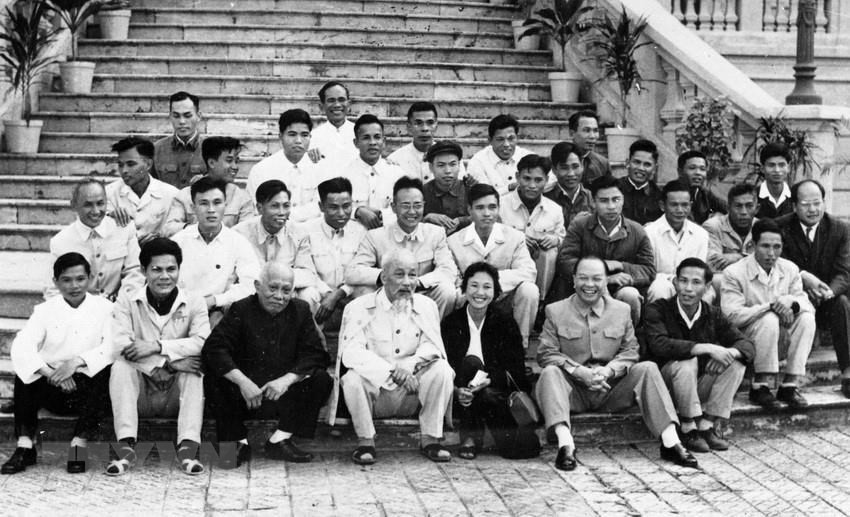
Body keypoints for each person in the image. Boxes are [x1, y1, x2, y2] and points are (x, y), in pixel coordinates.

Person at [534, 256, 697, 471]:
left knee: (647, 368)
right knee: (550, 372)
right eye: (583, 278)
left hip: (611, 388)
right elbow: (546, 353)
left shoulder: (621, 310)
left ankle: (670, 441)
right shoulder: (556, 310)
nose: (589, 285)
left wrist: (610, 370)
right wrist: (579, 371)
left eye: (596, 279)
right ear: (573, 280)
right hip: (573, 391)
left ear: (605, 281)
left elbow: (631, 351)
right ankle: (566, 444)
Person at [203, 263, 332, 467]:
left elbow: (316, 353)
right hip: (245, 395)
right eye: (273, 288)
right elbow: (214, 349)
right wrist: (243, 383)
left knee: (321, 379)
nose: (279, 296)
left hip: (281, 394)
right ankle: (237, 441)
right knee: (215, 376)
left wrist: (286, 380)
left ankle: (280, 439)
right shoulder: (240, 308)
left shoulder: (300, 310)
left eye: (286, 290)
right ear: (257, 286)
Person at [333, 249, 455, 465]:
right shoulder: (358, 307)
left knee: (442, 370)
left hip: (412, 391)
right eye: (399, 274)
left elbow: (433, 345)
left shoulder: (427, 306)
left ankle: (430, 439)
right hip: (376, 394)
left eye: (413, 274)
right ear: (383, 277)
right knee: (351, 379)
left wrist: (409, 365)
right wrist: (391, 372)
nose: (407, 282)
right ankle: (365, 442)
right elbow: (351, 353)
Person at [3, 253, 114, 474]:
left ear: (90, 278)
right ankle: (25, 445)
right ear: (55, 282)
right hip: (52, 384)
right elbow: (22, 345)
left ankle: (78, 444)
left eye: (80, 279)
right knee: (26, 371)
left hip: (87, 386)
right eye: (66, 280)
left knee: (109, 370)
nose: (74, 286)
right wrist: (50, 373)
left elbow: (112, 346)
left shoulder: (105, 308)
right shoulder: (44, 310)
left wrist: (76, 363)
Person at [107, 238, 210, 476]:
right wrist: (168, 362)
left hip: (175, 395)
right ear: (144, 271)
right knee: (121, 366)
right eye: (156, 269)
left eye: (171, 269)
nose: (165, 276)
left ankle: (187, 447)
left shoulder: (194, 301)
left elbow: (201, 342)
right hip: (141, 393)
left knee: (194, 369)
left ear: (179, 270)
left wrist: (156, 346)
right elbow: (122, 344)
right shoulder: (127, 299)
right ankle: (125, 446)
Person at [642, 258, 754, 453]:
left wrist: (729, 354)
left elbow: (747, 345)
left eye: (696, 282)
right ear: (675, 282)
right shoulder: (658, 308)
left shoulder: (712, 313)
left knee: (736, 364)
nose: (688, 288)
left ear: (708, 287)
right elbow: (659, 345)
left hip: (696, 387)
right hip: (665, 388)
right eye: (683, 281)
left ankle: (707, 424)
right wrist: (706, 348)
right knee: (687, 363)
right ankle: (687, 426)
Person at [441, 262, 540, 460]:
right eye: (474, 285)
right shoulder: (451, 323)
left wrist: (490, 381)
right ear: (465, 288)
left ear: (495, 292)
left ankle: (489, 433)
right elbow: (443, 365)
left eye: (487, 287)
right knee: (471, 364)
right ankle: (469, 437)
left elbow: (517, 370)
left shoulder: (505, 322)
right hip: (462, 393)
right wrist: (456, 390)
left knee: (518, 450)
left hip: (494, 393)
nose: (480, 293)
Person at [721, 219, 815, 409]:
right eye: (765, 246)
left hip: (780, 336)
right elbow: (732, 315)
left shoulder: (789, 268)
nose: (771, 253)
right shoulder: (734, 272)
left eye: (776, 247)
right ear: (752, 245)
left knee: (806, 318)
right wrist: (770, 307)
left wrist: (792, 303)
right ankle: (760, 385)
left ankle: (789, 384)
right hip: (746, 338)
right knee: (769, 318)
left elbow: (806, 304)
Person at [775, 179, 850, 398]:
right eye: (806, 204)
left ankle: (848, 372)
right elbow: (776, 263)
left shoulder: (840, 229)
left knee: (842, 302)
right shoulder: (779, 226)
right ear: (794, 205)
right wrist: (803, 278)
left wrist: (829, 292)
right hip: (794, 298)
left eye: (817, 203)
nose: (813, 209)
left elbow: (844, 272)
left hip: (826, 299)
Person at [346, 176, 457, 318]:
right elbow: (352, 272)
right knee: (363, 292)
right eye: (405, 206)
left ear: (424, 206)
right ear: (393, 207)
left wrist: (419, 282)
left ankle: (431, 333)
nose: (412, 212)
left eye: (417, 206)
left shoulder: (435, 233)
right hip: (389, 296)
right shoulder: (376, 236)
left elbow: (448, 270)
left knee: (447, 291)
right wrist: (387, 277)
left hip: (422, 293)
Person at [448, 183, 539, 349]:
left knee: (529, 290)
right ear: (469, 210)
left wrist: (492, 282)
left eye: (492, 207)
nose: (487, 214)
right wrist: (477, 288)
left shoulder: (515, 236)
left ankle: (519, 348)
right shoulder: (454, 241)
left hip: (504, 299)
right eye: (480, 208)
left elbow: (528, 272)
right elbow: (453, 278)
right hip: (470, 299)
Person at [556, 175, 655, 324]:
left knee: (630, 295)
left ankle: (627, 340)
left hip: (620, 290)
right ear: (593, 202)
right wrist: (603, 278)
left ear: (623, 200)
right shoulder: (580, 225)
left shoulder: (637, 230)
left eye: (616, 199)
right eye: (604, 201)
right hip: (584, 289)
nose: (611, 206)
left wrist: (620, 265)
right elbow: (566, 262)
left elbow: (648, 270)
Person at [171, 177, 260, 327]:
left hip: (219, 313)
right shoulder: (178, 241)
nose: (211, 210)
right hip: (181, 311)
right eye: (204, 203)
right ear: (193, 208)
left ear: (225, 205)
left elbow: (252, 285)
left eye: (217, 203)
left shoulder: (238, 242)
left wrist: (216, 300)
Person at [46, 179, 143, 301]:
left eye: (100, 203)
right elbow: (53, 289)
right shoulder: (61, 241)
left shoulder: (124, 229)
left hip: (120, 308)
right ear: (74, 205)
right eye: (88, 205)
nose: (96, 211)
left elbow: (135, 273)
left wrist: (121, 304)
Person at [233, 180, 321, 313]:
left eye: (286, 206)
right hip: (252, 289)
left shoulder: (299, 233)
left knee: (309, 295)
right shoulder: (240, 233)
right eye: (275, 206)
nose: (282, 212)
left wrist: (276, 282)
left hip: (286, 291)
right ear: (259, 208)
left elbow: (308, 274)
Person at [297, 177, 368, 330]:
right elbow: (307, 271)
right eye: (334, 207)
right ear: (321, 206)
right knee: (306, 296)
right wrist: (329, 294)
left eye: (347, 206)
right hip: (320, 293)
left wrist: (339, 294)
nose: (342, 213)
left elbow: (362, 269)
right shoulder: (306, 231)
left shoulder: (361, 231)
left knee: (367, 293)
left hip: (350, 291)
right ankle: (314, 344)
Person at [499, 154, 565, 301]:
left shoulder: (555, 210)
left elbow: (563, 237)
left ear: (547, 180)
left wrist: (556, 240)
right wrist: (517, 239)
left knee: (549, 253)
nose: (532, 185)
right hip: (508, 266)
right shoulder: (500, 205)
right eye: (527, 178)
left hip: (540, 269)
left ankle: (541, 302)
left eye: (538, 180)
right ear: (517, 177)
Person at [246, 109, 329, 225]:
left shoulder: (321, 169)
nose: (298, 141)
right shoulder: (261, 170)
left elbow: (324, 208)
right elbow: (257, 210)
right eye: (292, 134)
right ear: (280, 136)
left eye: (304, 135)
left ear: (310, 136)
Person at [163, 136, 254, 236]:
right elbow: (169, 229)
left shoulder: (242, 198)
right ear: (211, 163)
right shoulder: (185, 195)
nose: (235, 167)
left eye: (236, 161)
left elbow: (248, 233)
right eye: (229, 160)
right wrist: (197, 229)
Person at [645, 180, 710, 302]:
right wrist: (673, 280)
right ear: (662, 206)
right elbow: (649, 272)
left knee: (707, 294)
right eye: (674, 205)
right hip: (659, 284)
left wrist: (685, 283)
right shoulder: (649, 233)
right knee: (660, 289)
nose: (680, 210)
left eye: (685, 205)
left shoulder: (701, 234)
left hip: (691, 283)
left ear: (690, 205)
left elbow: (700, 270)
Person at [106, 136, 179, 244]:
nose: (124, 170)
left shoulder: (171, 194)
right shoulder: (109, 193)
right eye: (120, 165)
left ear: (148, 164)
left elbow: (177, 232)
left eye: (131, 164)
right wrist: (109, 218)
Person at [344, 114, 405, 229]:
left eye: (377, 137)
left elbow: (406, 207)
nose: (372, 142)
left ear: (384, 141)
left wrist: (381, 215)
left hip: (389, 236)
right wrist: (357, 211)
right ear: (356, 143)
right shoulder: (345, 174)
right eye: (366, 138)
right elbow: (335, 207)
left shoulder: (397, 174)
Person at [388, 101, 465, 183]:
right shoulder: (395, 160)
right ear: (409, 126)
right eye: (418, 123)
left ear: (436, 126)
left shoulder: (451, 157)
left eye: (430, 123)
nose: (425, 128)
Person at [702, 183, 758, 292]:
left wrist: (736, 257)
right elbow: (713, 264)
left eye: (749, 206)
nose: (743, 212)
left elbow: (768, 261)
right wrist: (750, 260)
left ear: (757, 208)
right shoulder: (713, 226)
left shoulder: (761, 227)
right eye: (738, 206)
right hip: (725, 280)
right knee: (718, 280)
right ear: (728, 208)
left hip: (755, 279)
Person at [467, 114, 533, 196]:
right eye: (500, 139)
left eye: (511, 138)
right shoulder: (478, 162)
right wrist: (509, 188)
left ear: (517, 137)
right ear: (490, 140)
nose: (506, 144)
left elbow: (549, 181)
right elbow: (484, 196)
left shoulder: (528, 156)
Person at [153, 91, 205, 189]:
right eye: (176, 116)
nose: (182, 121)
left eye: (187, 116)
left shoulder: (211, 149)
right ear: (170, 117)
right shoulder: (157, 149)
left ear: (198, 116)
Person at [422, 140, 472, 236]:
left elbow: (488, 216)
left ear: (459, 165)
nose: (448, 171)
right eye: (441, 165)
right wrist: (427, 218)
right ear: (431, 167)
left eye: (453, 164)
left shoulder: (470, 189)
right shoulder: (422, 192)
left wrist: (462, 221)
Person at [307, 81, 357, 168]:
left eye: (341, 100)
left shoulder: (360, 133)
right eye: (331, 100)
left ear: (348, 104)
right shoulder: (313, 137)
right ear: (321, 106)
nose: (337, 105)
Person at [545, 141, 594, 229]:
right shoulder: (546, 198)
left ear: (582, 165)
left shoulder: (592, 198)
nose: (571, 174)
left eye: (575, 167)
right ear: (554, 169)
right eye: (564, 168)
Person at [616, 139, 663, 225]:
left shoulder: (659, 196)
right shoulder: (614, 189)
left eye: (647, 164)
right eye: (637, 162)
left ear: (655, 169)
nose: (641, 168)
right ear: (627, 163)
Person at [677, 150, 726, 224]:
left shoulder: (703, 193)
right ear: (680, 172)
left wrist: (718, 216)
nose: (698, 173)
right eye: (692, 168)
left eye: (702, 169)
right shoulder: (672, 194)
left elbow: (730, 208)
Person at [567, 110, 610, 187]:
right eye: (586, 130)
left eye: (596, 131)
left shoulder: (603, 163)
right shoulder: (558, 160)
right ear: (572, 133)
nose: (592, 136)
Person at [755, 142, 794, 220]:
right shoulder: (753, 196)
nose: (777, 170)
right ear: (762, 168)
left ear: (789, 167)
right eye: (771, 165)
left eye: (781, 165)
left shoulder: (795, 196)